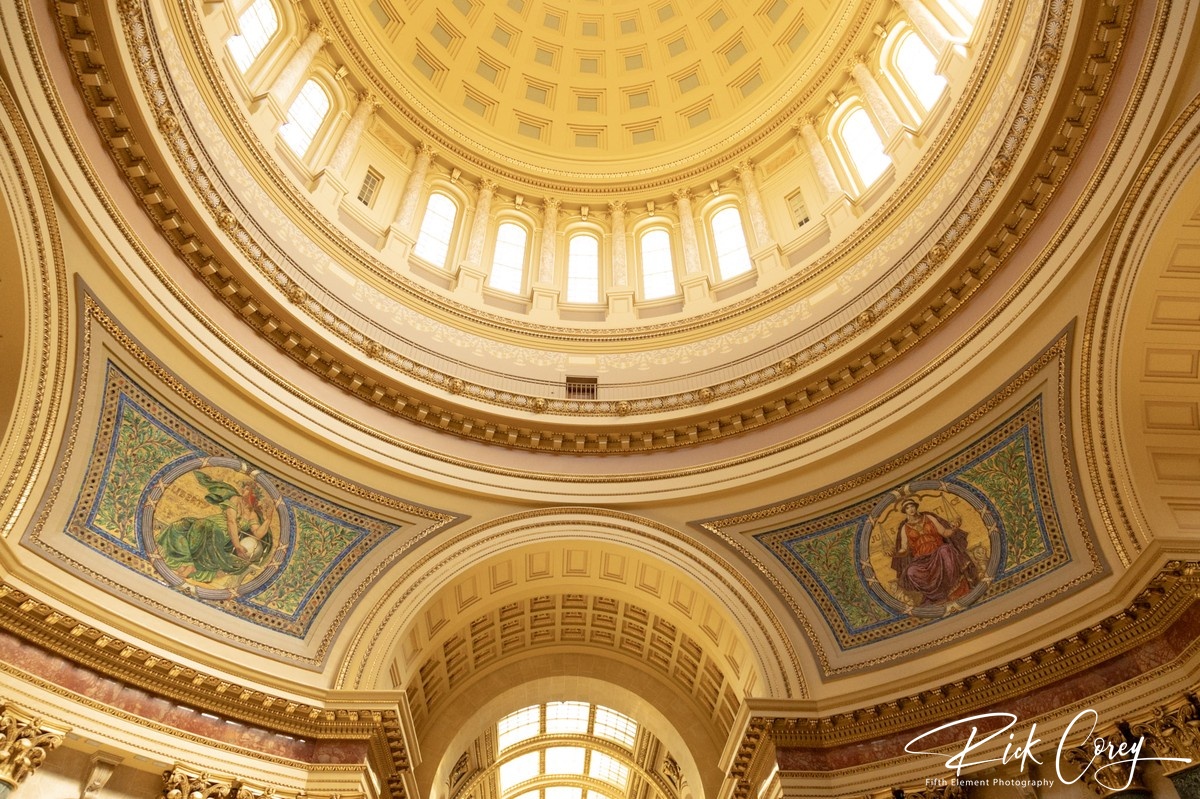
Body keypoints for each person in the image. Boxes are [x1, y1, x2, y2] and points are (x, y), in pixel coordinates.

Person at [156, 470, 274, 583]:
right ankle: (187, 563)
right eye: (245, 488)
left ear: (254, 496)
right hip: (209, 523)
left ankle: (190, 567)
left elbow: (257, 534)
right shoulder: (235, 499)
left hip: (220, 534)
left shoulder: (252, 514)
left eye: (248, 490)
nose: (244, 491)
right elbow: (231, 521)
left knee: (205, 528)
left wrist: (268, 520)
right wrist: (237, 545)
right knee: (180, 526)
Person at [890, 498, 979, 606]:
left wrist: (954, 529)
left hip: (937, 551)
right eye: (907, 508)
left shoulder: (928, 517)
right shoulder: (905, 528)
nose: (911, 509)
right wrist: (895, 553)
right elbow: (904, 549)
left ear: (916, 507)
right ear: (905, 511)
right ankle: (937, 596)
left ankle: (953, 589)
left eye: (912, 506)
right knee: (911, 571)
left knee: (946, 550)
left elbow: (944, 532)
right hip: (921, 560)